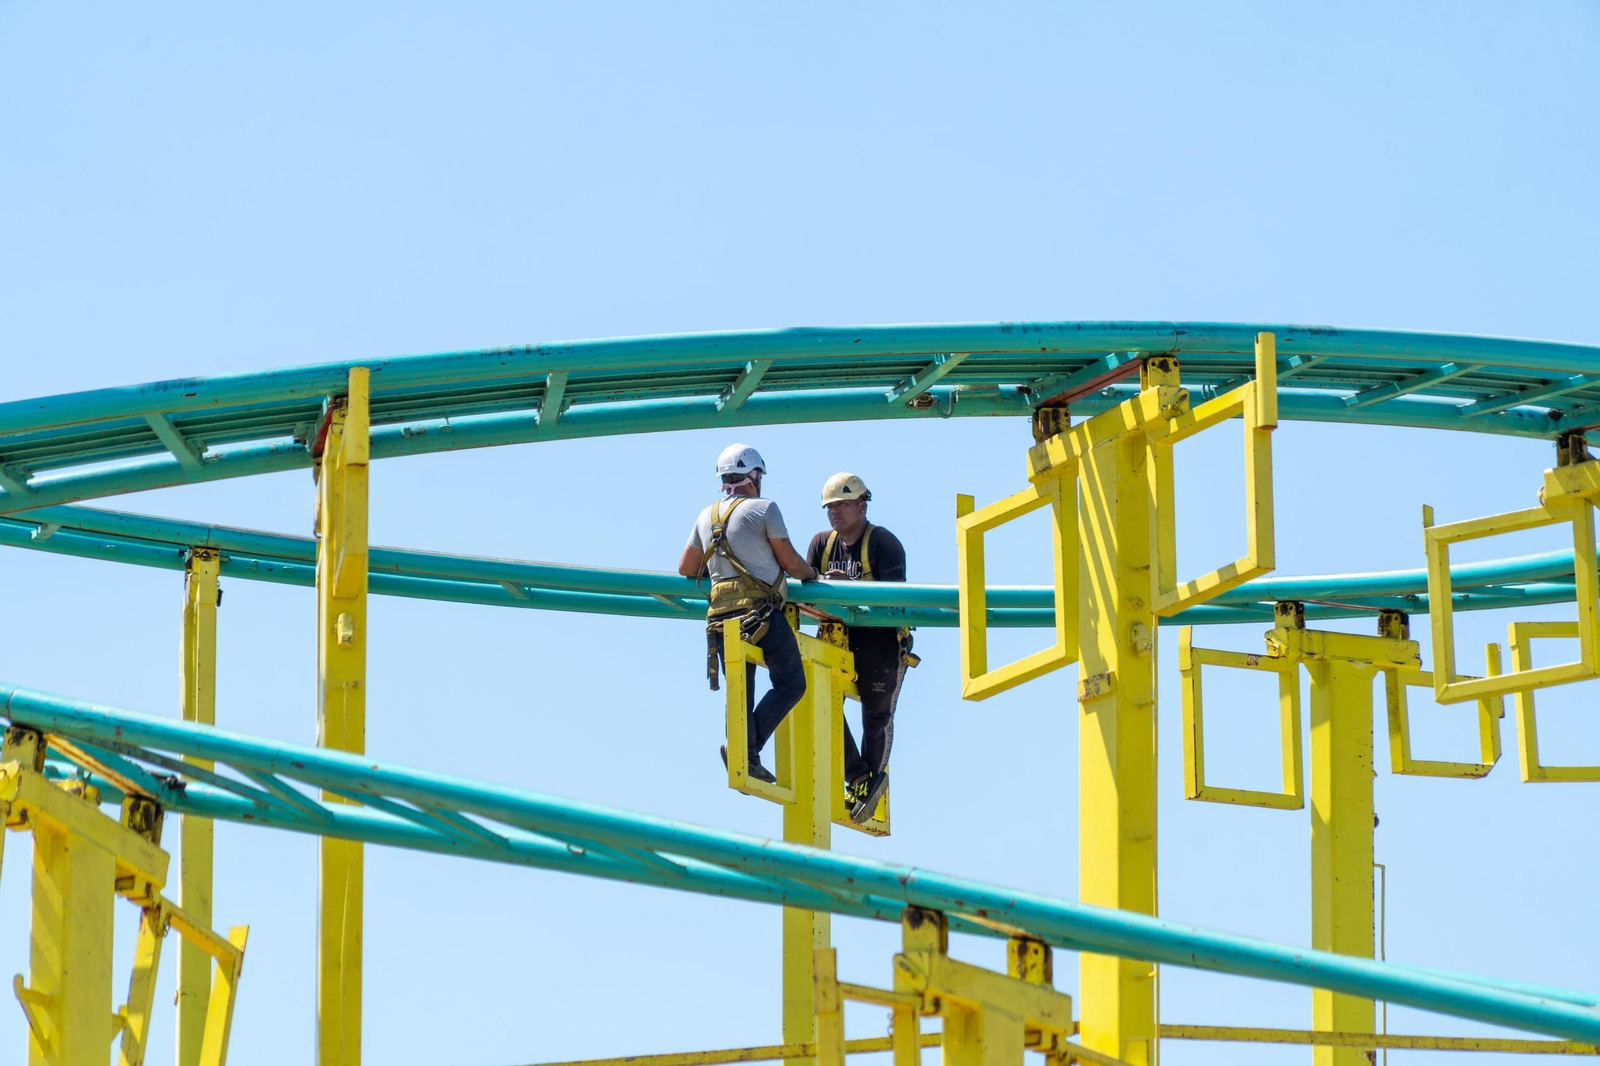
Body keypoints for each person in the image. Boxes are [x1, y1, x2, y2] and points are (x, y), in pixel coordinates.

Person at [679, 444, 819, 783]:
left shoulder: (705, 515)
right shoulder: (764, 509)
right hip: (759, 614)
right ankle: (745, 751)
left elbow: (686, 567)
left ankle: (745, 756)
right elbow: (790, 562)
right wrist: (812, 575)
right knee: (790, 683)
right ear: (754, 476)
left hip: (719, 618)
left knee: (740, 691)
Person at [805, 472, 912, 823]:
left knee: (876, 715)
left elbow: (895, 600)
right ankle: (858, 775)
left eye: (843, 504)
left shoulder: (884, 543)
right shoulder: (821, 544)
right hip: (837, 637)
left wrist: (849, 587)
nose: (835, 512)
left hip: (879, 639)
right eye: (830, 507)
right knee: (819, 702)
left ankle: (869, 783)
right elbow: (804, 592)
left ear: (862, 505)